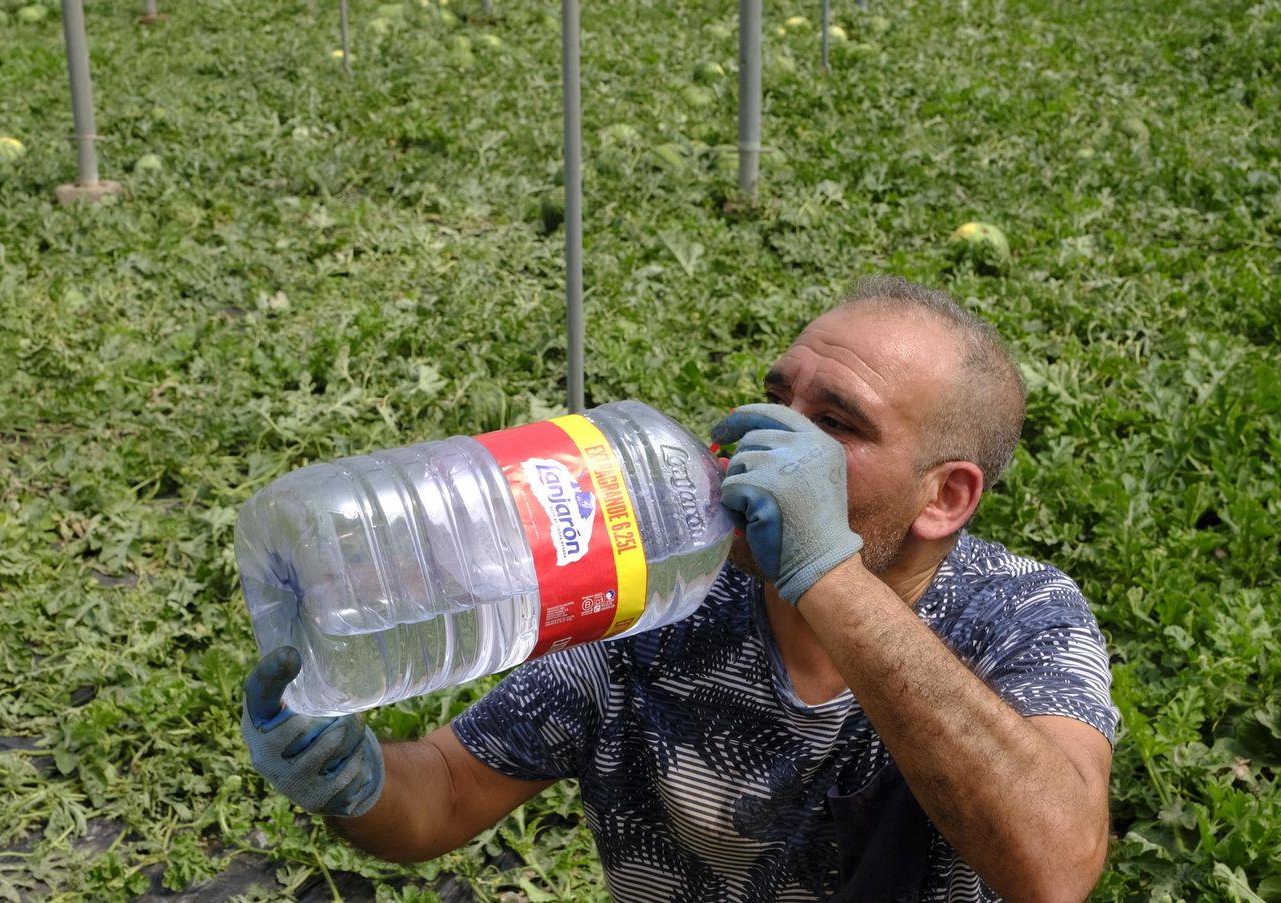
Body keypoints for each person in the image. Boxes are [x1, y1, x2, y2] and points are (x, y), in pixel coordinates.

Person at [240, 275, 1118, 902]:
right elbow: (445, 792)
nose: (772, 442)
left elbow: (1054, 865)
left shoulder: (1020, 614)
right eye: (777, 399)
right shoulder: (659, 595)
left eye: (836, 424)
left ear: (946, 496)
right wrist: (352, 779)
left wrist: (829, 575)